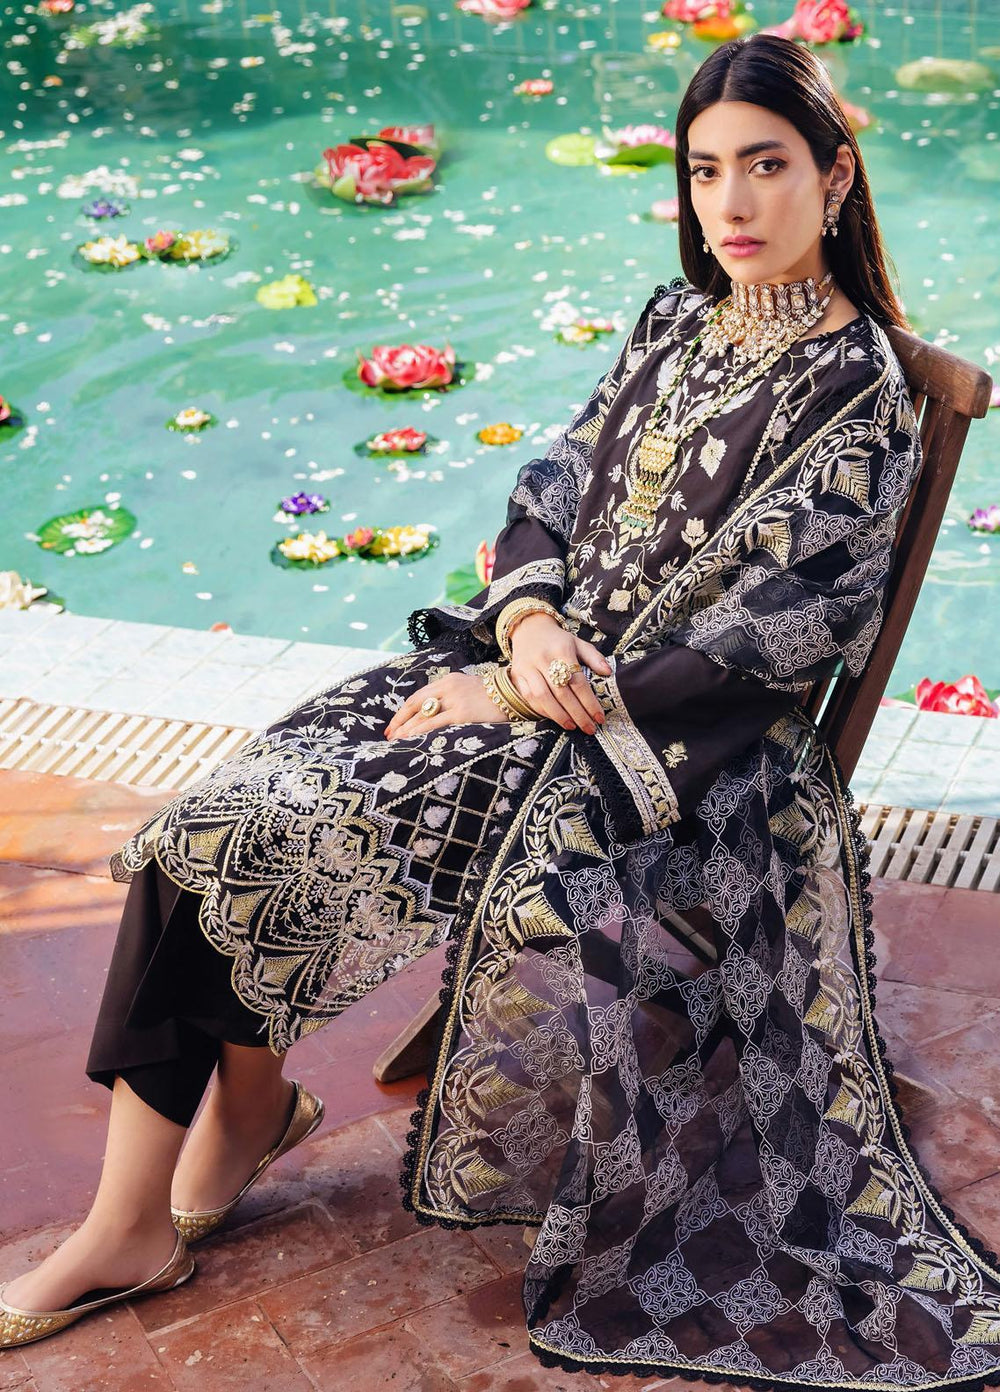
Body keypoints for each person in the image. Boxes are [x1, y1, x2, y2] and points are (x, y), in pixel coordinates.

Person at [4, 29, 1000, 1390]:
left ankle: (135, 1218)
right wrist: (525, 622)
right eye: (705, 170)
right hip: (522, 675)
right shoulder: (675, 320)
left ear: (834, 178)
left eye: (766, 166)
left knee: (258, 834)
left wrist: (540, 691)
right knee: (213, 815)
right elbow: (550, 488)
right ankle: (239, 1111)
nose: (732, 202)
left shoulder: (860, 396)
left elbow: (782, 633)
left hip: (662, 759)